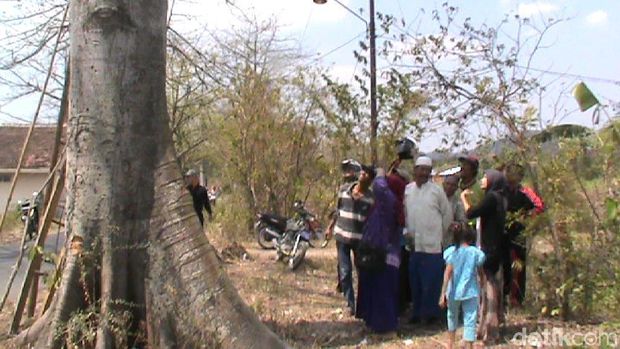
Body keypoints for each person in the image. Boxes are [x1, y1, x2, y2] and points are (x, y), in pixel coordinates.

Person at [404, 156, 453, 324]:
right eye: (421, 169)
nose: (424, 173)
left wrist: (439, 234)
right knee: (415, 282)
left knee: (432, 282)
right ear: (415, 170)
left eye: (427, 170)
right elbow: (404, 214)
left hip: (432, 245)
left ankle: (432, 315)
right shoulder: (408, 190)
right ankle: (417, 314)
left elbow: (447, 215)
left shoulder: (436, 191)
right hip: (414, 245)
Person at [463, 169, 508, 344]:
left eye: (485, 177)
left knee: (489, 291)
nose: (482, 180)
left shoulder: (492, 198)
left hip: (489, 250)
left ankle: (491, 331)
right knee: (489, 289)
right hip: (495, 249)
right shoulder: (501, 198)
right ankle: (484, 328)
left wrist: (464, 198)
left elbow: (470, 213)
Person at [356, 167, 401, 333]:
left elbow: (380, 188)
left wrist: (381, 174)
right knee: (374, 289)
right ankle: (374, 324)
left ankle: (386, 327)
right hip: (377, 251)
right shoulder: (384, 204)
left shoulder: (390, 201)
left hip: (384, 254)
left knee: (383, 292)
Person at [326, 163, 374, 316]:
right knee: (345, 272)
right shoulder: (343, 191)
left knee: (362, 273)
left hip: (359, 241)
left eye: (367, 174)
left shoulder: (371, 199)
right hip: (342, 237)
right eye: (362, 172)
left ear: (370, 180)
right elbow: (337, 211)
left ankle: (363, 306)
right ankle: (350, 304)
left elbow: (371, 221)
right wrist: (330, 227)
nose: (363, 175)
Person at [439, 226, 486, 349]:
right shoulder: (476, 253)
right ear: (471, 238)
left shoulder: (451, 252)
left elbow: (447, 274)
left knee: (452, 316)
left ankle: (450, 343)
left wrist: (442, 293)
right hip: (471, 291)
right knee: (470, 318)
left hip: (454, 291)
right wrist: (483, 286)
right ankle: (469, 345)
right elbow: (481, 273)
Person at [503, 163, 541, 306]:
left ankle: (517, 299)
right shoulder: (501, 191)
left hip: (518, 235)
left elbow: (538, 206)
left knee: (518, 266)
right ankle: (504, 297)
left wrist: (524, 218)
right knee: (504, 265)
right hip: (501, 234)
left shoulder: (525, 192)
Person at [387, 159, 412, 315]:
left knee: (400, 276)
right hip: (390, 244)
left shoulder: (406, 197)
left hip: (401, 245)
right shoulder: (390, 198)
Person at [443, 174, 467, 247]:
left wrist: (457, 225)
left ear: (456, 187)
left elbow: (462, 222)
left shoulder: (458, 203)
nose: (449, 187)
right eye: (447, 184)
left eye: (453, 185)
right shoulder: (434, 198)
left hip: (448, 242)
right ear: (443, 184)